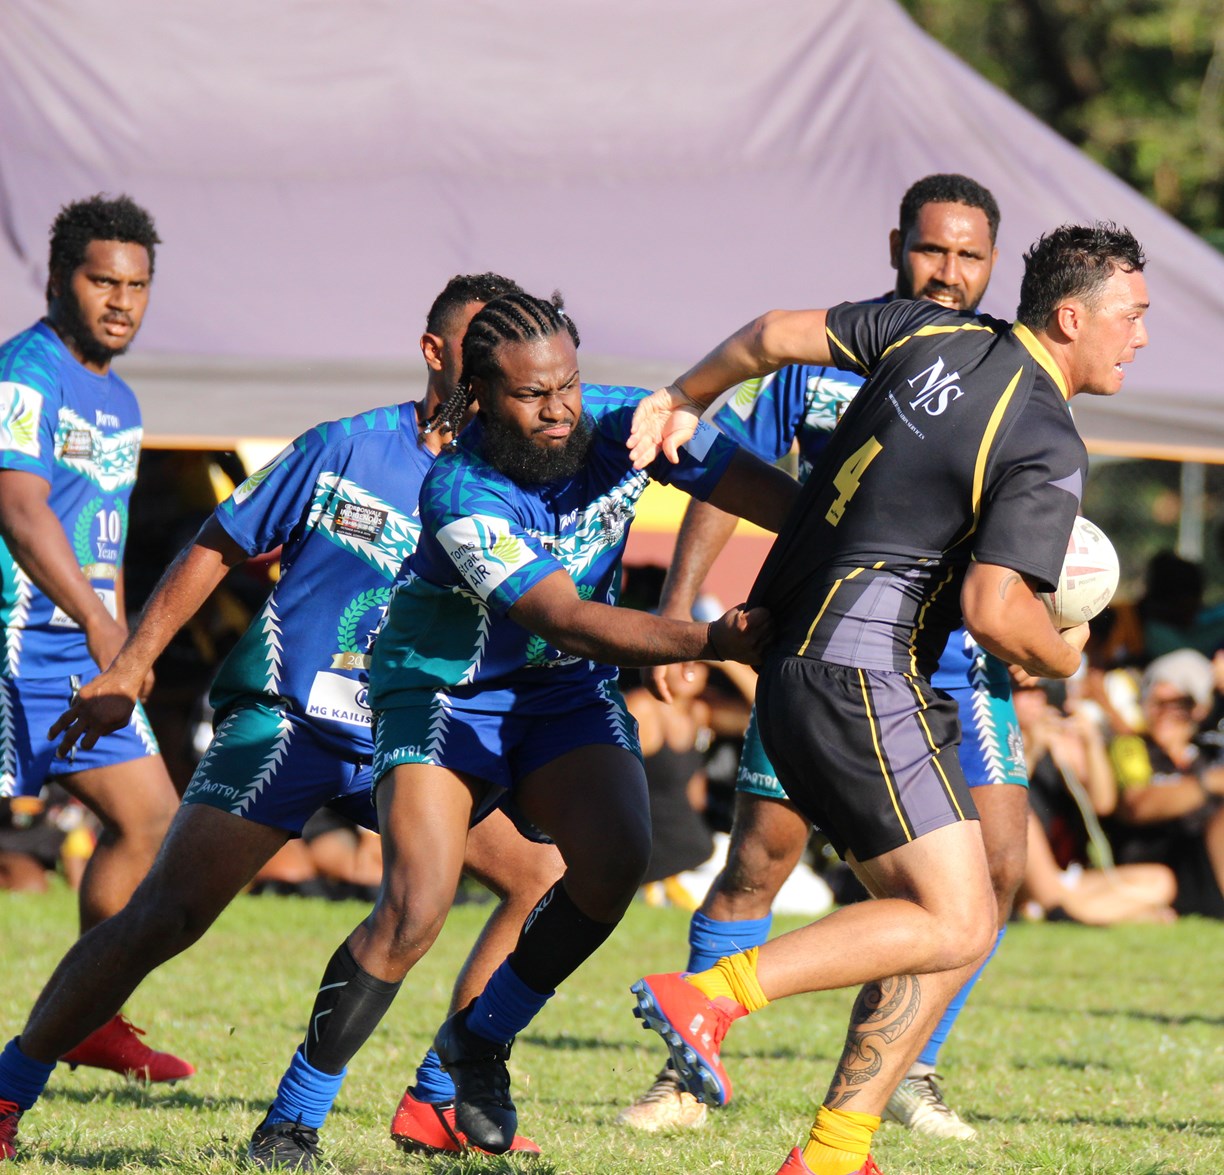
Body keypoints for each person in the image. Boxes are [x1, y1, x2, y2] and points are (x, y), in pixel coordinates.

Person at [0, 274, 569, 1163]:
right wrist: (132, 661)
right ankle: (10, 1086)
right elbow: (219, 543)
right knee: (165, 916)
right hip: (293, 722)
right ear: (436, 353)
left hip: (415, 741)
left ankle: (439, 1096)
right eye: (479, 343)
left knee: (541, 878)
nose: (502, 366)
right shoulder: (344, 447)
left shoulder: (519, 480)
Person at [626, 221, 1148, 1175]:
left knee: (940, 916)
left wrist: (679, 397)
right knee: (958, 917)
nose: (1142, 336)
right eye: (1133, 315)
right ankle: (710, 995)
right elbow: (997, 612)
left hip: (799, 665)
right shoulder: (1044, 432)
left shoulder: (925, 333)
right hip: (863, 672)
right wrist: (1064, 653)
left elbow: (767, 333)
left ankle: (835, 1148)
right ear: (1072, 318)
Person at [243, 289, 799, 1168]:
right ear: (478, 397)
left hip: (562, 692)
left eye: (568, 384)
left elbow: (758, 492)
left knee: (616, 860)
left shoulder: (628, 421)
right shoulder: (458, 487)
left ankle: (478, 1043)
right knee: (415, 906)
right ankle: (292, 1118)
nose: (557, 409)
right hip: (441, 692)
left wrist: (845, 539)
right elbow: (567, 614)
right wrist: (705, 636)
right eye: (531, 395)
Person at [619, 174, 1019, 1140]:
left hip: (958, 663)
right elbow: (724, 477)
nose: (950, 272)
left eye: (970, 256)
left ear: (994, 264)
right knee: (762, 853)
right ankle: (686, 1068)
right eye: (934, 250)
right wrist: (681, 611)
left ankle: (908, 1070)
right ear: (897, 244)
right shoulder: (823, 363)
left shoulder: (1011, 370)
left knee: (990, 874)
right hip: (835, 649)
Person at [0, 194, 190, 1085]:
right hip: (13, 641)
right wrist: (99, 620)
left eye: (137, 285)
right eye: (102, 280)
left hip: (76, 649)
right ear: (59, 278)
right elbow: (18, 506)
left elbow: (100, 533)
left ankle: (89, 1017)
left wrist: (125, 648)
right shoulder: (27, 372)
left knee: (151, 820)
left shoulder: (121, 398)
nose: (121, 299)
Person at [1107, 649, 1224, 918]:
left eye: (1178, 703)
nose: (1164, 713)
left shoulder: (1209, 749)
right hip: (1162, 863)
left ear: (1199, 708)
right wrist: (1209, 783)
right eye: (1155, 702)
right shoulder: (1134, 747)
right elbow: (1136, 805)